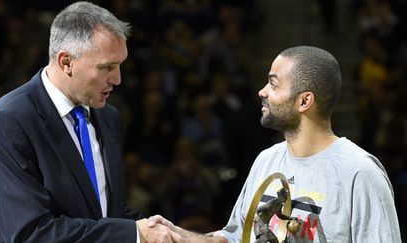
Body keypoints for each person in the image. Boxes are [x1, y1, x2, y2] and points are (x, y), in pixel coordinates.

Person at [147, 46, 402, 242]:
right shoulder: (266, 160)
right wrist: (179, 236)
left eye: (273, 83)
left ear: (304, 101)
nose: (262, 91)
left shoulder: (360, 173)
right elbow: (238, 237)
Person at [0, 2, 182, 242]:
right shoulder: (7, 121)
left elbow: (106, 214)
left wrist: (178, 235)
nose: (118, 79)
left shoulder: (109, 118)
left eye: (120, 66)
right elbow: (31, 233)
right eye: (107, 67)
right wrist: (135, 233)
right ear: (66, 62)